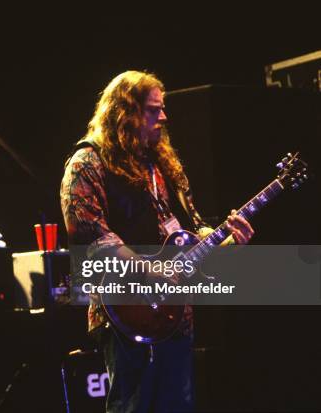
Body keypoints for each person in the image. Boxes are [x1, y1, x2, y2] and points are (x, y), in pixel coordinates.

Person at [60, 70, 254, 412]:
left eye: (162, 108)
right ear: (125, 113)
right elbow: (92, 236)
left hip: (175, 313)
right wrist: (148, 271)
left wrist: (225, 240)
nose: (163, 117)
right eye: (153, 109)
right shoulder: (88, 162)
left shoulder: (163, 166)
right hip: (124, 310)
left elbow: (190, 231)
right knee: (134, 404)